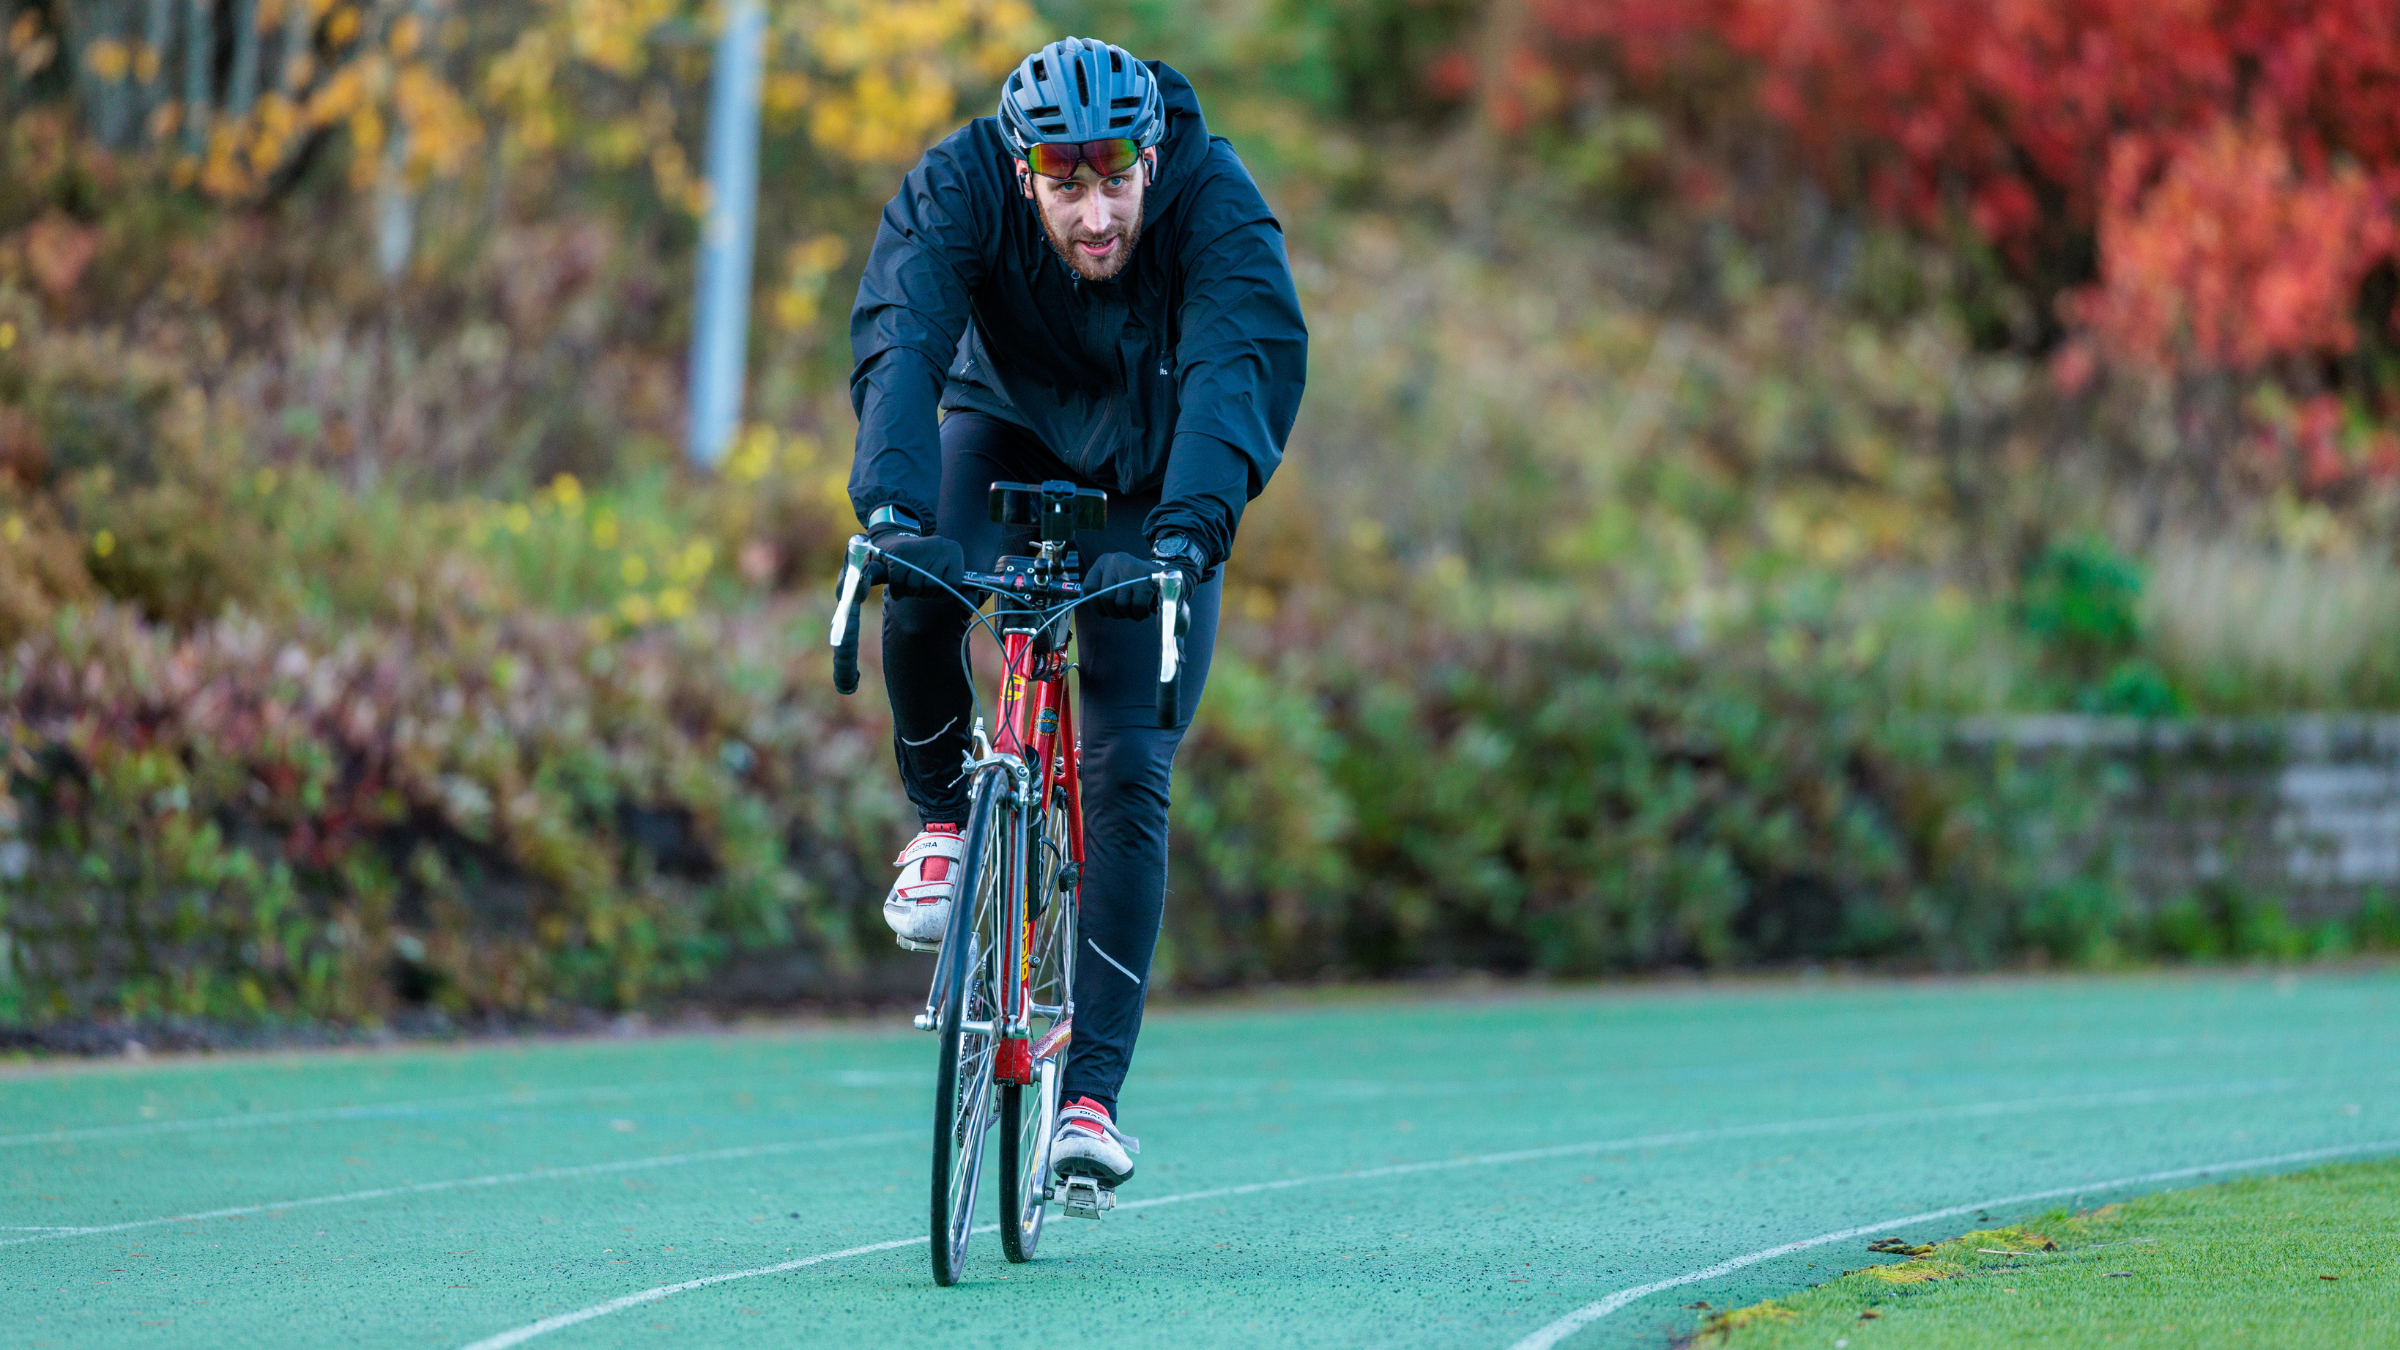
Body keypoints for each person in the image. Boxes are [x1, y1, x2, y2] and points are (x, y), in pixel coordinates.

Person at [846, 36, 1306, 1194]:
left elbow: (1238, 364)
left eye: (1115, 182)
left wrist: (1189, 532)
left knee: (1125, 766)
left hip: (1155, 487)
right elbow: (903, 331)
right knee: (924, 578)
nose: (1096, 215)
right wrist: (894, 506)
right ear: (1024, 175)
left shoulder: (1217, 205)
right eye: (1067, 186)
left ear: (1151, 158)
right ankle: (948, 822)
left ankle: (1089, 1100)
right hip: (1004, 429)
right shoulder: (957, 184)